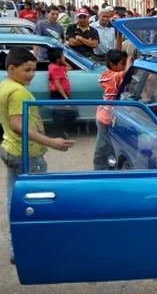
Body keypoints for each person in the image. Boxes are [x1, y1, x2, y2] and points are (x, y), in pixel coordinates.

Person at [0, 48, 74, 262]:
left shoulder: (6, 85)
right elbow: (16, 125)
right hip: (27, 155)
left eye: (33, 70)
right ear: (12, 68)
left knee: (14, 199)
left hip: (12, 150)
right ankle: (32, 247)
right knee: (35, 204)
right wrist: (52, 142)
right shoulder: (18, 91)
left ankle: (17, 248)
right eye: (27, 70)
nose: (32, 74)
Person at [94, 50, 132, 170]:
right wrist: (130, 61)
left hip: (112, 118)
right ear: (112, 65)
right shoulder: (109, 76)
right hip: (105, 118)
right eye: (122, 63)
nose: (124, 65)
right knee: (103, 147)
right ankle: (98, 171)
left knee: (110, 147)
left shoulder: (114, 74)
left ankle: (109, 169)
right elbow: (126, 73)